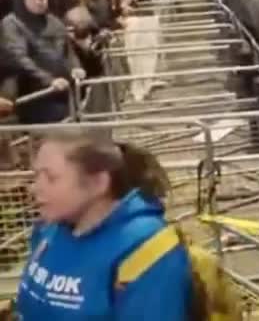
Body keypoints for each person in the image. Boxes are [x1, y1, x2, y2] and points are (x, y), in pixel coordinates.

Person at [11, 130, 191, 319]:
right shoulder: (48, 230)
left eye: (51, 178)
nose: (35, 188)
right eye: (36, 176)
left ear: (98, 183)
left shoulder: (147, 249)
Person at [0, 0, 81, 124]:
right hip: (35, 93)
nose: (40, 2)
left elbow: (68, 49)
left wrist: (75, 67)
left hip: (64, 89)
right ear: (21, 0)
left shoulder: (53, 21)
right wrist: (48, 80)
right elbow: (19, 58)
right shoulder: (12, 23)